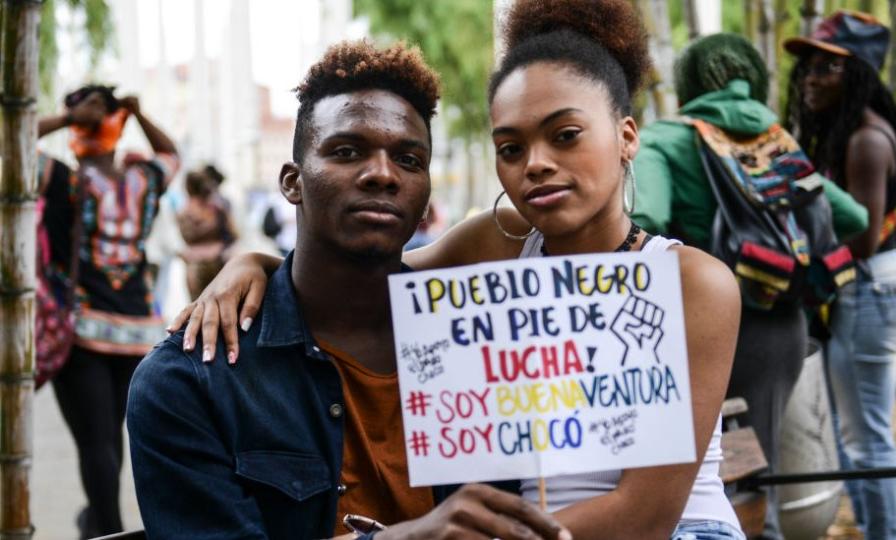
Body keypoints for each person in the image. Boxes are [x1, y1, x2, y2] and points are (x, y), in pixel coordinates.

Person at [171, 1, 744, 538]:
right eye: (511, 148)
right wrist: (251, 265)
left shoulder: (692, 282)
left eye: (565, 136)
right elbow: (367, 275)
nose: (537, 164)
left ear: (625, 137)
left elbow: (642, 516)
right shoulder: (497, 244)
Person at [127, 39, 571, 540]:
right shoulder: (188, 382)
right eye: (347, 151)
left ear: (425, 198)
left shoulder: (486, 344)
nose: (382, 174)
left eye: (408, 159)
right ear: (292, 183)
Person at [630, 33, 868, 539]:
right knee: (758, 472)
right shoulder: (776, 142)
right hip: (778, 331)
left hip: (695, 331)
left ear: (690, 80)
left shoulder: (666, 139)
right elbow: (853, 215)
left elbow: (644, 218)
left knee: (697, 479)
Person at [784, 11, 896, 540]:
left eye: (829, 67)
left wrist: (793, 262)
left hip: (870, 288)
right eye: (810, 67)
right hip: (874, 287)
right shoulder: (860, 133)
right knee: (857, 436)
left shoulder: (865, 140)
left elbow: (863, 238)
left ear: (862, 73)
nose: (814, 77)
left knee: (868, 440)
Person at [37, 85, 179, 538]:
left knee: (96, 443)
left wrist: (66, 119)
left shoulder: (63, 180)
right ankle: (96, 522)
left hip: (83, 332)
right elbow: (171, 153)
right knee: (112, 441)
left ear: (77, 129)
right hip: (138, 331)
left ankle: (108, 530)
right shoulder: (143, 181)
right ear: (117, 127)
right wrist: (137, 113)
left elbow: (10, 138)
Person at [177, 165, 237, 299]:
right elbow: (234, 233)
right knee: (219, 304)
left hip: (194, 264)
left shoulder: (184, 212)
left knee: (196, 306)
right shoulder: (217, 208)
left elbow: (183, 239)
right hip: (217, 260)